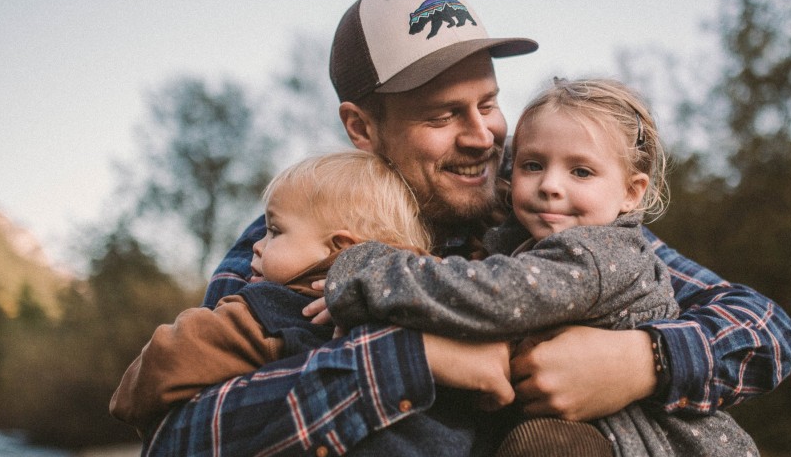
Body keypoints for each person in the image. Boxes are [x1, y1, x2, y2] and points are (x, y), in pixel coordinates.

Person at [132, 0, 791, 457]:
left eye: (488, 102)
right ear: (362, 127)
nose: (483, 135)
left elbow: (767, 328)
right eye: (443, 115)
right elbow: (177, 456)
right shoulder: (292, 243)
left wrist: (643, 360)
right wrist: (408, 360)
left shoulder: (541, 214)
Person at [320, 78, 791, 457]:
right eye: (532, 165)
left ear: (632, 193)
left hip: (653, 448)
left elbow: (500, 294)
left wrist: (367, 272)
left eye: (581, 171)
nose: (550, 184)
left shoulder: (595, 251)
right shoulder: (515, 233)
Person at [110, 151, 513, 433]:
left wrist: (127, 401)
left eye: (274, 231)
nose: (256, 244)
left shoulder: (268, 309)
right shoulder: (435, 290)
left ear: (339, 248)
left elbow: (166, 363)